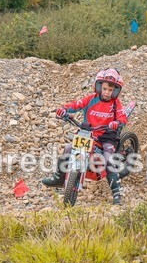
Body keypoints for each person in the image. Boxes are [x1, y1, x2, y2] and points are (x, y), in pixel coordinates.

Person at [42, 68, 128, 204]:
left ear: (115, 91)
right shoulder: (91, 99)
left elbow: (122, 117)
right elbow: (77, 105)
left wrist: (117, 123)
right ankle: (59, 178)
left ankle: (117, 192)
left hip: (106, 136)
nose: (106, 92)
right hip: (87, 134)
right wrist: (63, 109)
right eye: (104, 89)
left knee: (108, 159)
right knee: (68, 149)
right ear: (98, 87)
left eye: (110, 90)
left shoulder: (115, 104)